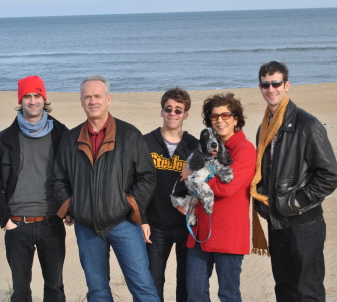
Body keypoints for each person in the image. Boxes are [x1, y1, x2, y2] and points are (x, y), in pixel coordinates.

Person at [52, 75, 159, 302]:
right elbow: (59, 180)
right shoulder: (70, 139)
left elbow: (147, 176)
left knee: (142, 286)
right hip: (86, 227)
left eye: (98, 96)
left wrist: (128, 204)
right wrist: (72, 207)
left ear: (108, 99)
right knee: (98, 291)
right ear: (81, 101)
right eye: (87, 97)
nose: (93, 101)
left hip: (125, 224)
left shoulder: (129, 135)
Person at [251, 61, 337, 301]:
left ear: (286, 85)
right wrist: (261, 202)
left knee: (307, 291)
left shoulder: (307, 125)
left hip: (304, 223)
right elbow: (263, 171)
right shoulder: (264, 127)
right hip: (277, 222)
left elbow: (329, 176)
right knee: (285, 289)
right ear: (260, 87)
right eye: (265, 84)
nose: (271, 89)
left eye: (276, 83)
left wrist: (296, 203)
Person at [0, 75, 68, 301]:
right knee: (20, 291)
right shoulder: (2, 140)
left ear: (44, 98)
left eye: (37, 95)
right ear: (20, 100)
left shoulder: (62, 135)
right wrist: (4, 219)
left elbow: (74, 175)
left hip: (52, 222)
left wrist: (70, 209)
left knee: (55, 288)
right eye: (27, 96)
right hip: (17, 224)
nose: (33, 101)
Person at [182, 93, 256, 302]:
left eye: (225, 115)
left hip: (229, 232)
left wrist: (195, 180)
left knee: (228, 295)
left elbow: (227, 187)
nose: (220, 120)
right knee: (195, 294)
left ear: (236, 119)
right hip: (200, 231)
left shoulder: (244, 149)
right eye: (214, 117)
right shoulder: (203, 148)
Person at [142, 87, 198, 301]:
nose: (172, 114)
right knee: (153, 283)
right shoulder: (146, 142)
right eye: (168, 109)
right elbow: (134, 185)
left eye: (178, 110)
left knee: (186, 284)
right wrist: (142, 220)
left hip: (187, 226)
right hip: (155, 227)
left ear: (186, 114)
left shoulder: (194, 146)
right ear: (161, 112)